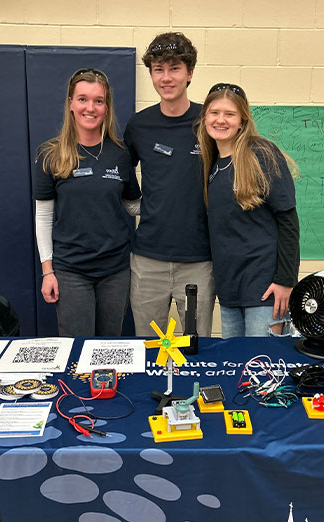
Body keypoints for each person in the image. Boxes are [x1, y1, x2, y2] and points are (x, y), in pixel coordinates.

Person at [32, 69, 141, 337]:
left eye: (98, 101)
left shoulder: (120, 153)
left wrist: (169, 200)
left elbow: (132, 206)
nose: (90, 108)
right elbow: (44, 216)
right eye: (82, 99)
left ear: (107, 107)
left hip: (115, 271)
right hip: (71, 271)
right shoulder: (51, 154)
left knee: (108, 348)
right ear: (70, 103)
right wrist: (48, 271)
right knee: (77, 349)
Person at [124, 32, 216, 337]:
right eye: (158, 69)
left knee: (193, 347)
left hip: (198, 262)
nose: (166, 77)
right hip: (148, 261)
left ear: (189, 73)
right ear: (150, 73)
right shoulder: (139, 125)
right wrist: (143, 208)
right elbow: (123, 179)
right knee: (147, 348)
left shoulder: (210, 121)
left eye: (174, 68)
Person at [197, 83, 300, 337]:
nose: (221, 120)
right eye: (214, 112)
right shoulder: (212, 163)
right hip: (230, 290)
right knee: (237, 369)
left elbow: (288, 221)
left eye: (229, 114)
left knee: (263, 369)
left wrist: (286, 281)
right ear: (205, 118)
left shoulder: (261, 154)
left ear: (242, 120)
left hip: (265, 290)